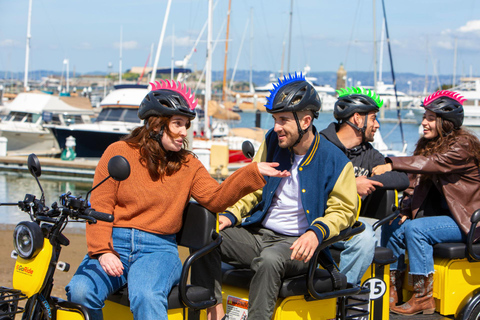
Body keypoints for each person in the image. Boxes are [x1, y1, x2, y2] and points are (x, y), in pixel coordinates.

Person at [65, 80, 290, 320]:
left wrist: (252, 171)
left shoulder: (187, 164)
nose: (184, 132)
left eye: (186, 125)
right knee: (80, 291)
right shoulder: (118, 152)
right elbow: (100, 206)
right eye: (178, 124)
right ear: (156, 125)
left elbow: (215, 199)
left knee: (147, 295)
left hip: (158, 249)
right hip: (114, 242)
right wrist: (102, 251)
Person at [192, 73, 358, 320]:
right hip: (258, 234)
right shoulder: (271, 141)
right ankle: (213, 311)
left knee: (269, 260)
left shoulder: (335, 161)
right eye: (274, 120)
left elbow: (344, 211)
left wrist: (316, 232)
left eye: (282, 120)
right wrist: (230, 215)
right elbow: (255, 189)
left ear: (305, 121)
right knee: (208, 233)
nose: (276, 127)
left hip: (298, 245)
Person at [372, 90, 480, 316]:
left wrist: (392, 164)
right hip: (445, 218)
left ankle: (423, 297)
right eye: (424, 117)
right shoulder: (429, 144)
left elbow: (432, 164)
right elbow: (416, 182)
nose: (423, 122)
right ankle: (393, 289)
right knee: (394, 226)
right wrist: (404, 209)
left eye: (430, 118)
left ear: (445, 122)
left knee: (416, 229)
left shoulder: (463, 145)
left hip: (468, 222)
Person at [320, 86, 409, 285]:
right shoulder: (321, 145)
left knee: (366, 235)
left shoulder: (368, 153)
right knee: (366, 236)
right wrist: (351, 185)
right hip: (318, 219)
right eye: (374, 118)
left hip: (345, 223)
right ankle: (341, 297)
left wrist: (383, 169)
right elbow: (312, 184)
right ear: (358, 119)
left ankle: (344, 295)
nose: (377, 125)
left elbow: (403, 179)